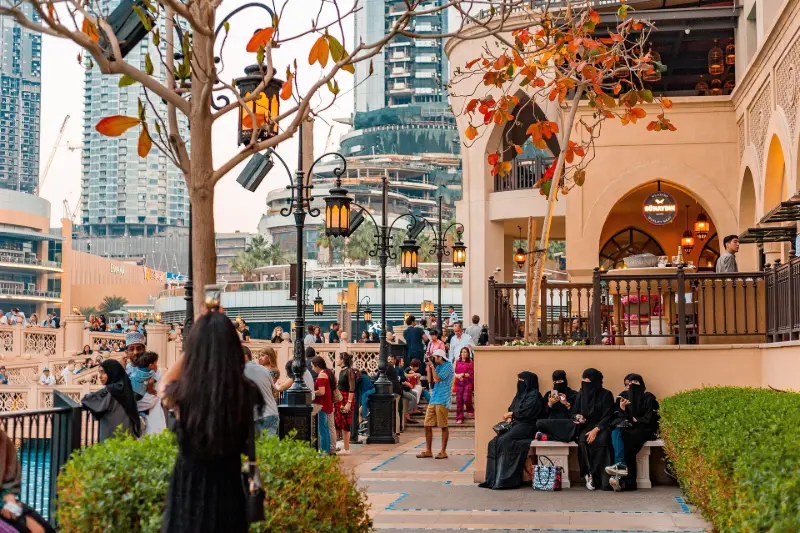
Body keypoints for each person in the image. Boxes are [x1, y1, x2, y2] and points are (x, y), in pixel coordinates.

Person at [160, 311, 261, 533]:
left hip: (187, 495)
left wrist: (198, 343)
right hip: (228, 494)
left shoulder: (182, 396)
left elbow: (165, 382)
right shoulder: (244, 394)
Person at [479, 372, 545, 489]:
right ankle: (492, 479)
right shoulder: (519, 395)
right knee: (493, 443)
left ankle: (505, 480)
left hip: (528, 426)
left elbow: (527, 413)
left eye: (522, 380)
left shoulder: (535, 396)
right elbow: (511, 407)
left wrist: (511, 414)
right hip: (516, 425)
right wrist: (510, 416)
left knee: (504, 440)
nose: (519, 382)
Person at [605, 373, 660, 492]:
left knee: (625, 441)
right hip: (627, 427)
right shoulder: (623, 397)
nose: (630, 386)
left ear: (641, 383)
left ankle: (619, 477)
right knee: (616, 431)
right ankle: (619, 469)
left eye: (634, 383)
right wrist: (623, 409)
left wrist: (636, 420)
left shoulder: (648, 398)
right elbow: (617, 417)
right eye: (627, 384)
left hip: (643, 428)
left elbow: (650, 419)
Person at [0, 427, 55, 533]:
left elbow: (9, 480)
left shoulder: (2, 440)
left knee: (41, 527)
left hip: (4, 503)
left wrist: (9, 499)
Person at [572, 368, 615, 491]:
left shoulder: (606, 394)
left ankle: (601, 478)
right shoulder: (581, 394)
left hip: (602, 426)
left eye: (588, 380)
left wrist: (596, 430)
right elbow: (574, 412)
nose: (585, 383)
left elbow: (608, 415)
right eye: (583, 380)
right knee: (582, 442)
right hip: (585, 426)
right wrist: (577, 416)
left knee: (601, 443)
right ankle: (589, 475)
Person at [81, 360, 141, 441]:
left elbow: (89, 400)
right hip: (127, 433)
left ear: (112, 372)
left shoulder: (112, 389)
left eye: (103, 372)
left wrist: (86, 398)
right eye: (99, 372)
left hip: (113, 435)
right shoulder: (125, 386)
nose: (100, 376)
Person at [416, 349, 454, 460]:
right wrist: (429, 367)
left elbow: (437, 379)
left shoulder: (448, 366)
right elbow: (430, 380)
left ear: (440, 357)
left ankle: (443, 451)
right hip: (434, 398)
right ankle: (428, 450)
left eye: (435, 357)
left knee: (443, 426)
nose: (434, 359)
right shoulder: (437, 366)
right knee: (427, 425)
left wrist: (432, 366)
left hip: (443, 399)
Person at [243, 346, 279, 438]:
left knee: (259, 449)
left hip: (259, 417)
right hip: (273, 413)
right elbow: (274, 388)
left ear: (244, 357)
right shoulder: (265, 370)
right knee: (270, 449)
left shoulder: (241, 371)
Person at [535, 370, 579, 442]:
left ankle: (549, 436)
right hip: (552, 422)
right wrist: (550, 404)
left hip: (567, 422)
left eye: (560, 381)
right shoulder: (548, 395)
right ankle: (565, 437)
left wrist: (566, 404)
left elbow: (576, 413)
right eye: (555, 382)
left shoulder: (573, 394)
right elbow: (543, 414)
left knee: (576, 424)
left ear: (565, 381)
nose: (557, 384)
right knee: (539, 422)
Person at [310, 356, 335, 455]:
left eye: (313, 366)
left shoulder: (321, 376)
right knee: (326, 428)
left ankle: (324, 451)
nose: (312, 368)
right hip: (326, 404)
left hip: (322, 405)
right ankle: (327, 450)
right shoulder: (326, 373)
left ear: (317, 366)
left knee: (323, 429)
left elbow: (321, 392)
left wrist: (312, 392)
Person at [335, 352, 357, 455]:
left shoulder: (349, 371)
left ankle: (342, 448)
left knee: (340, 424)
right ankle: (344, 448)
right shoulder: (342, 371)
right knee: (340, 423)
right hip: (341, 399)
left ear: (343, 360)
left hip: (346, 399)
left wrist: (349, 402)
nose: (337, 360)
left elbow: (352, 388)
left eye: (339, 358)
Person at [454, 347, 474, 424]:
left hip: (467, 382)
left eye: (465, 352)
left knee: (466, 398)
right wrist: (457, 376)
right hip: (459, 383)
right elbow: (454, 372)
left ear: (468, 354)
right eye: (462, 352)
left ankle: (470, 409)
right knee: (459, 401)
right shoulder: (457, 362)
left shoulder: (470, 363)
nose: (463, 353)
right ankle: (459, 417)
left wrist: (462, 375)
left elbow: (470, 374)